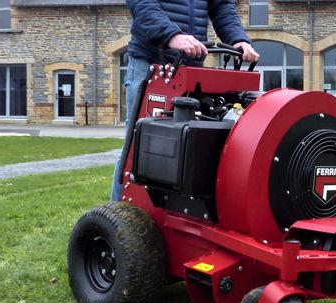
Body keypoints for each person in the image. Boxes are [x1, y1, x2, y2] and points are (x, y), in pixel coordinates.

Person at [110, 0, 260, 201]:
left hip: (191, 70)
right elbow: (143, 5)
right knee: (135, 149)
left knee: (186, 146)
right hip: (151, 64)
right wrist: (172, 35)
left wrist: (238, 38)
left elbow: (222, 6)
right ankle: (118, 219)